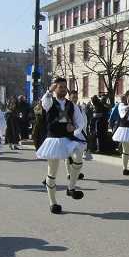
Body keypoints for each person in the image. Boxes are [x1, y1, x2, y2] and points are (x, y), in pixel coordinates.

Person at [36, 77, 86, 214]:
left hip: (68, 138)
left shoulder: (71, 105)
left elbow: (80, 122)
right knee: (52, 172)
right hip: (53, 139)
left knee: (78, 158)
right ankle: (53, 202)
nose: (63, 89)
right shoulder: (50, 101)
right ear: (55, 88)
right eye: (60, 87)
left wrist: (74, 128)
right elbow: (44, 103)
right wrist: (48, 91)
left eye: (65, 87)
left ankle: (71, 188)